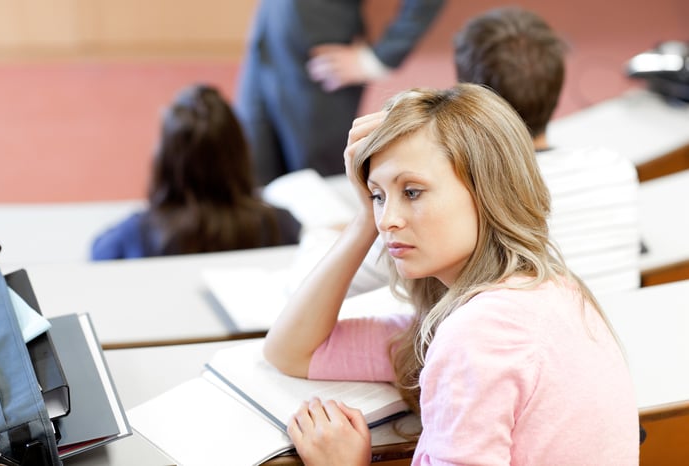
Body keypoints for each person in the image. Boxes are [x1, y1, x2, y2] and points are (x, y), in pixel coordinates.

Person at [263, 84, 639, 465]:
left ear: (487, 191)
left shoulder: (480, 334)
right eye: (378, 196)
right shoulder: (551, 289)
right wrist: (363, 219)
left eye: (412, 192)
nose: (387, 221)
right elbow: (292, 351)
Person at [454, 6, 641, 294]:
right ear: (559, 84)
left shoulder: (465, 193)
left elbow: (362, 280)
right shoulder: (614, 167)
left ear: (472, 98)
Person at [235, 0, 445, 186]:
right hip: (266, 39)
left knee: (317, 188)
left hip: (321, 60)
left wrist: (377, 59)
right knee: (254, 171)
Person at [91, 84, 301, 260]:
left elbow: (97, 254)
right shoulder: (279, 226)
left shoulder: (134, 236)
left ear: (165, 160)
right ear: (240, 154)